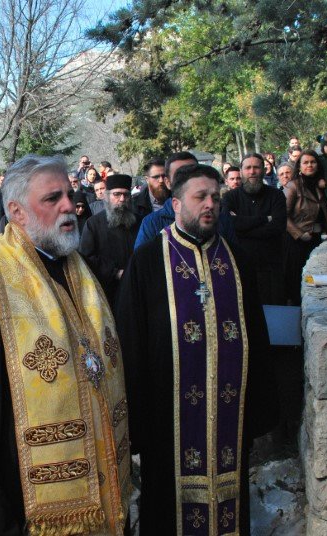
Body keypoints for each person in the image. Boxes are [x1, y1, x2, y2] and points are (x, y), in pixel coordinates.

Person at [0, 154, 131, 535]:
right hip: (27, 510)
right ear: (17, 212)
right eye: (52, 198)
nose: (68, 206)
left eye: (68, 194)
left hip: (105, 497)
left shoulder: (80, 270)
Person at [115, 163, 276, 534]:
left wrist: (258, 410)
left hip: (228, 420)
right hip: (166, 424)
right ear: (176, 204)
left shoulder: (237, 261)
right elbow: (131, 346)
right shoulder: (147, 262)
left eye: (215, 198)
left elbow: (257, 337)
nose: (210, 205)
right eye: (200, 197)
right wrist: (136, 423)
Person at [221, 153, 287, 305]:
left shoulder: (276, 196)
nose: (252, 172)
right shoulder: (230, 198)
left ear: (263, 170)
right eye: (248, 168)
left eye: (256, 167)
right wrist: (264, 219)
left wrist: (243, 228)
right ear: (241, 171)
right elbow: (230, 225)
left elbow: (277, 227)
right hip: (241, 267)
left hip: (271, 267)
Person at [79, 174, 140, 307]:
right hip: (108, 291)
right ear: (107, 196)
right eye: (117, 194)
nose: (122, 199)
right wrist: (115, 272)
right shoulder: (93, 224)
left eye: (126, 195)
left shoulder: (140, 221)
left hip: (137, 287)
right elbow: (87, 256)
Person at [282, 150, 327, 306]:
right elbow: (283, 215)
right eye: (306, 162)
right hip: (296, 241)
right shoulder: (293, 186)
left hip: (316, 239)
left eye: (313, 162)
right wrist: (299, 233)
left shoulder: (321, 185)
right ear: (299, 166)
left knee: (316, 280)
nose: (310, 165)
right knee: (297, 282)